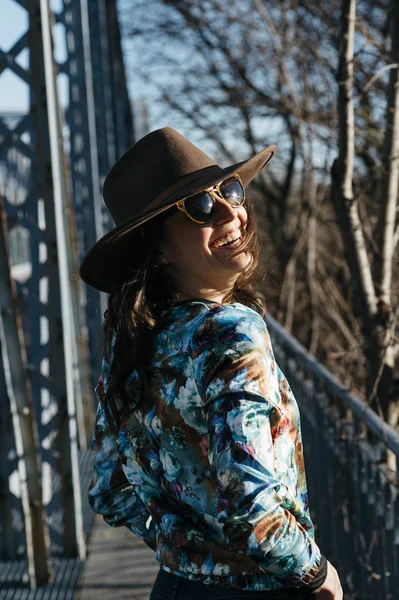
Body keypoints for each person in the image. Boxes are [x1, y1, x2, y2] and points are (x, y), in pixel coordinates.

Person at [79, 127, 343, 599]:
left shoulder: (132, 343)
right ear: (155, 247)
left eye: (230, 191)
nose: (232, 212)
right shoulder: (231, 331)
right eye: (199, 206)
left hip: (175, 587)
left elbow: (109, 489)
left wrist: (187, 549)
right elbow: (254, 513)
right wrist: (317, 575)